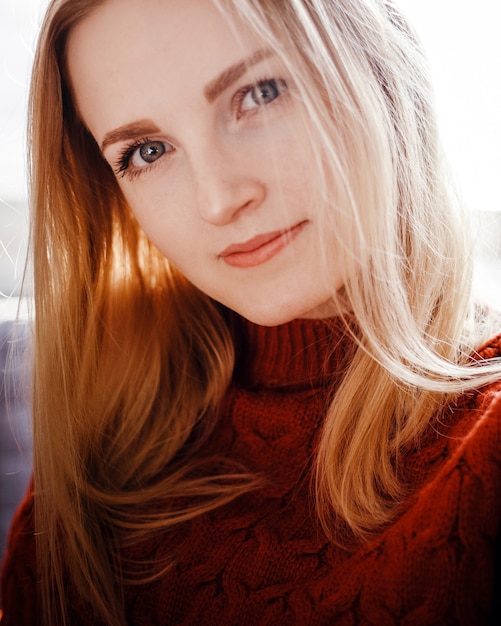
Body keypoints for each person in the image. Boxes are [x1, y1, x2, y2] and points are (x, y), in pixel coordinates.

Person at [1, 0, 501, 624]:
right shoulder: (110, 440)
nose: (218, 199)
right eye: (148, 151)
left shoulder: (485, 446)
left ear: (378, 74)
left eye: (259, 93)